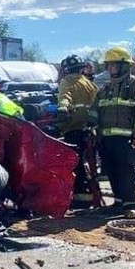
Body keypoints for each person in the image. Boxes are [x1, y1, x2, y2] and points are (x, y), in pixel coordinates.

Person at [88, 47, 135, 219]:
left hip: (127, 138)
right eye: (108, 65)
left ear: (124, 66)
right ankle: (118, 203)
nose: (109, 69)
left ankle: (131, 204)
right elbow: (96, 108)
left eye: (113, 65)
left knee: (126, 171)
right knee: (111, 170)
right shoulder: (106, 87)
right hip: (107, 138)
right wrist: (91, 122)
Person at [56, 55, 101, 209]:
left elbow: (65, 96)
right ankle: (92, 196)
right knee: (88, 163)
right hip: (90, 130)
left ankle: (79, 198)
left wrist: (62, 108)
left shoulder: (67, 81)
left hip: (73, 128)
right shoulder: (90, 84)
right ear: (82, 68)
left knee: (75, 164)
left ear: (66, 69)